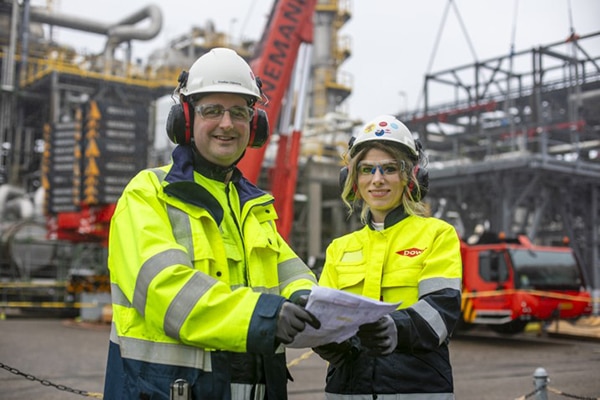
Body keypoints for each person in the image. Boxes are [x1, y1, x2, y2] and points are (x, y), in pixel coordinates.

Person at [103, 47, 320, 400]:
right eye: (212, 111)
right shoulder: (148, 194)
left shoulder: (254, 206)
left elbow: (292, 274)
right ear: (185, 120)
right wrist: (265, 317)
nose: (226, 123)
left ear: (254, 125)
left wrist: (314, 305)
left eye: (238, 112)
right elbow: (167, 294)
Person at [313, 114, 463, 399]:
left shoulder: (437, 235)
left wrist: (393, 327)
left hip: (416, 389)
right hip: (347, 390)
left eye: (389, 169)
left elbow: (440, 313)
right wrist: (324, 340)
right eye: (367, 169)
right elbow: (325, 318)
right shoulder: (339, 248)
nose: (377, 180)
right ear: (353, 179)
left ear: (411, 176)